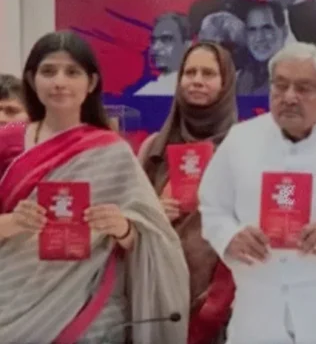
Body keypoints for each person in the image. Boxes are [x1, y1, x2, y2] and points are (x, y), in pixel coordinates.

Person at [0, 31, 189, 343]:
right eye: (49, 71)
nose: (59, 82)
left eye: (72, 72)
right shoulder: (7, 141)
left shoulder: (112, 151)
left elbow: (153, 237)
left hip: (89, 309)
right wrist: (13, 222)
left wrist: (122, 228)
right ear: (32, 80)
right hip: (12, 299)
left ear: (91, 83)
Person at [198, 42, 316, 343]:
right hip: (259, 318)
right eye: (280, 85)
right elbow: (212, 208)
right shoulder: (240, 142)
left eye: (303, 88)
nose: (289, 97)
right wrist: (229, 236)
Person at [138, 41, 238, 344]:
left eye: (208, 73)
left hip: (223, 301)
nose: (197, 80)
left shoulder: (244, 147)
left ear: (226, 83)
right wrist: (151, 212)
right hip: (157, 291)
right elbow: (128, 220)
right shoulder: (153, 149)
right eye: (190, 72)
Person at [134, 12, 191, 96]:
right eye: (153, 41)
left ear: (187, 45)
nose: (155, 48)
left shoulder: (196, 89)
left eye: (166, 39)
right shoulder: (146, 91)